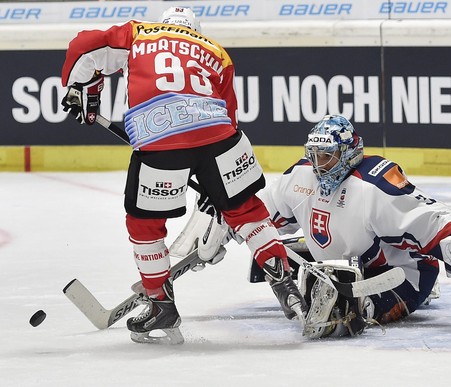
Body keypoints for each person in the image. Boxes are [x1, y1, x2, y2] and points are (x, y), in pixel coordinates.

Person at [60, 6, 307, 345]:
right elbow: (230, 114)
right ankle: (285, 284)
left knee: (144, 224)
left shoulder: (140, 33)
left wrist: (83, 90)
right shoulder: (216, 51)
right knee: (246, 210)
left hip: (160, 137)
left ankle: (161, 304)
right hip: (221, 136)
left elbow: (84, 46)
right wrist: (216, 185)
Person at [254, 114, 451, 338]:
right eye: (314, 155)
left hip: (401, 274)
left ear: (348, 153)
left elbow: (428, 217)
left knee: (339, 314)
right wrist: (230, 221)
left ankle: (392, 299)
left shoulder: (374, 185)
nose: (318, 165)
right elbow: (259, 212)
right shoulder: (300, 176)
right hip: (346, 260)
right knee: (269, 254)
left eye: (327, 156)